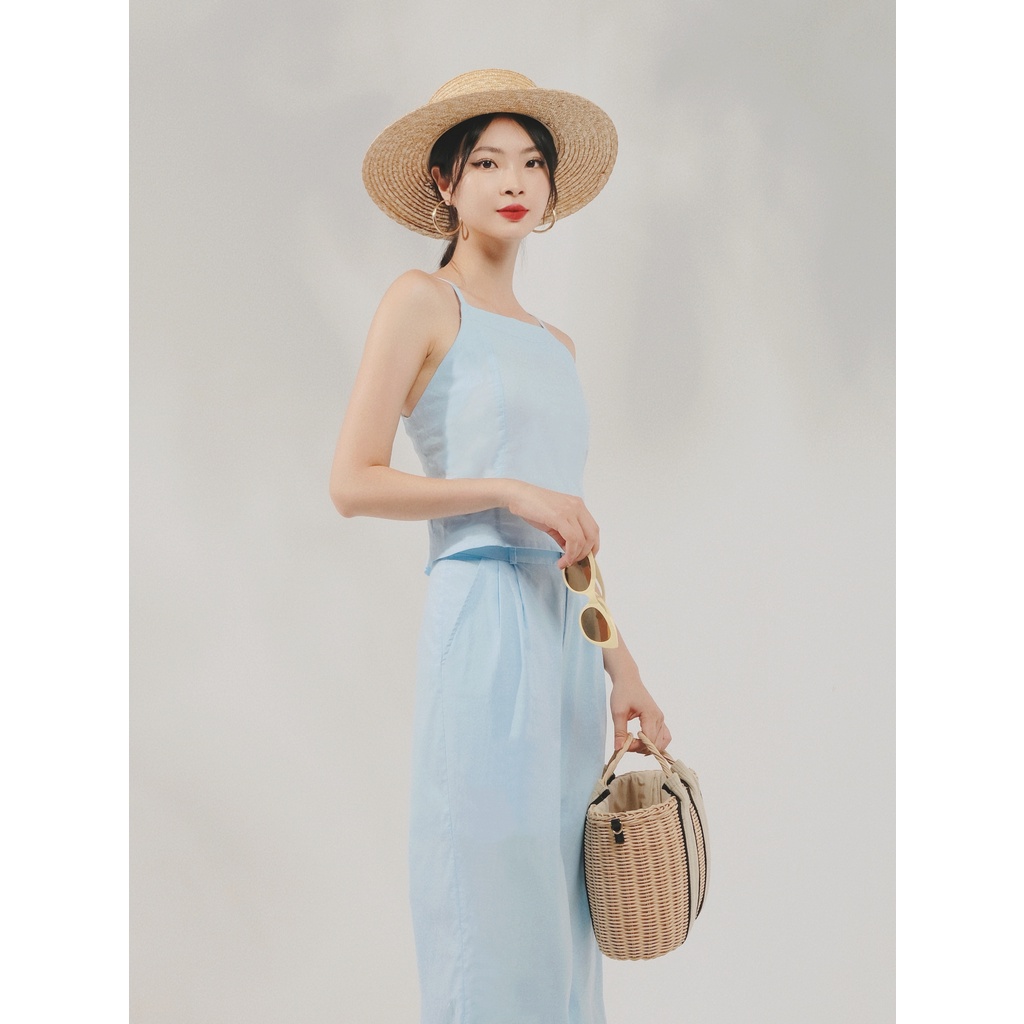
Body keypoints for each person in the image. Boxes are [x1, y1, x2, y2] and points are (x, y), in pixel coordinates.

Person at [330, 69, 672, 1024]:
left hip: (564, 644)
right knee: (486, 899)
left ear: (551, 189)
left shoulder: (557, 345)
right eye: (486, 162)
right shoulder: (421, 301)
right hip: (480, 622)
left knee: (559, 917)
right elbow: (353, 480)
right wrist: (506, 490)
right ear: (444, 182)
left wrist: (622, 667)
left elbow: (571, 533)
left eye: (531, 163)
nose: (513, 180)